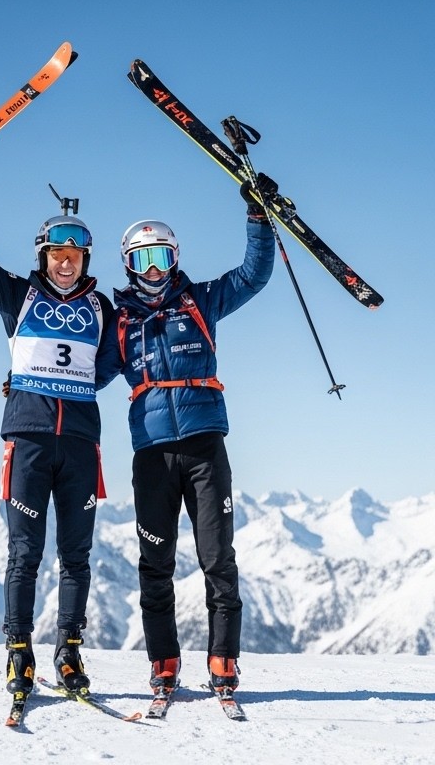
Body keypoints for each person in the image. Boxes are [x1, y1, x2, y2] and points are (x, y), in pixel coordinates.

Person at [0, 152, 114, 696]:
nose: (66, 263)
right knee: (24, 553)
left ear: (86, 259)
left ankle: (69, 651)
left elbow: (105, 368)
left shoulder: (103, 307)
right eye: (58, 254)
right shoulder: (18, 295)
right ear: (44, 255)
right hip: (29, 442)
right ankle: (18, 652)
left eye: (75, 255)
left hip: (80, 445)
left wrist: (55, 386)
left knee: (76, 555)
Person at [96, 175, 277, 699]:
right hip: (151, 456)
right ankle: (164, 663)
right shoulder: (122, 322)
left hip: (204, 448)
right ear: (128, 265)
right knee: (155, 564)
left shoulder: (200, 301)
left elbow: (253, 277)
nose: (152, 269)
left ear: (174, 258)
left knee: (218, 559)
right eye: (141, 259)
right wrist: (27, 377)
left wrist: (258, 218)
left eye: (161, 256)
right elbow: (84, 373)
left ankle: (224, 663)